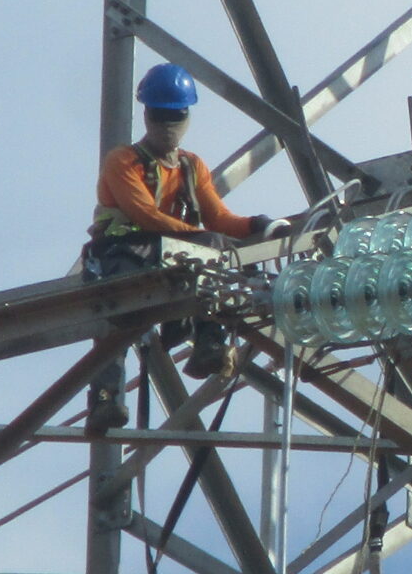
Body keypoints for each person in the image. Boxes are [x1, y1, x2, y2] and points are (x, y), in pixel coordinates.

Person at [86, 64, 289, 376]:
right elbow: (146, 216)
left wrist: (258, 226)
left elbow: (219, 218)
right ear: (147, 115)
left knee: (216, 253)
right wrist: (205, 241)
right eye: (160, 116)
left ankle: (210, 343)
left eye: (174, 117)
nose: (167, 125)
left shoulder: (191, 166)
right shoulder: (123, 162)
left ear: (186, 116)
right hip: (121, 252)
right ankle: (106, 397)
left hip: (165, 252)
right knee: (118, 323)